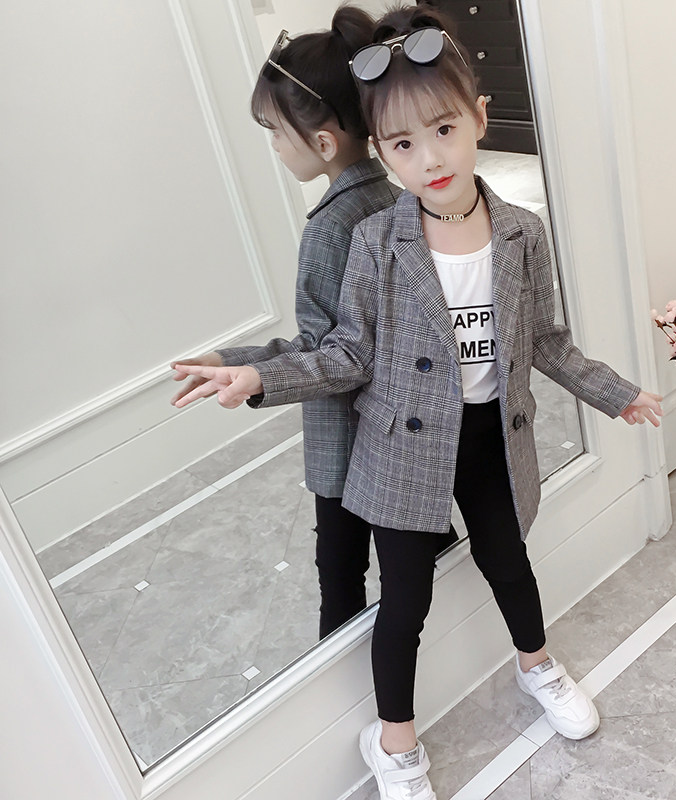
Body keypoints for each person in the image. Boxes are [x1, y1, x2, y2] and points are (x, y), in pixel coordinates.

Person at [172, 5, 663, 798]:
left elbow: (546, 342)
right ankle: (393, 742)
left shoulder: (522, 233)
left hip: (492, 437)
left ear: (478, 118)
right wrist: (257, 377)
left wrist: (617, 393)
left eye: (443, 129)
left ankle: (537, 666)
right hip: (402, 451)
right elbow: (348, 354)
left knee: (509, 564)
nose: (428, 157)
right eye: (402, 143)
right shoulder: (375, 242)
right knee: (405, 600)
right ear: (379, 148)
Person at [170, 5, 459, 642]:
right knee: (428, 542)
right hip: (410, 422)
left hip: (353, 435)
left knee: (341, 572)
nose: (275, 148)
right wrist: (234, 359)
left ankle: (350, 678)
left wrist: (247, 370)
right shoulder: (397, 198)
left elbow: (330, 353)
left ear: (323, 142)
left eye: (276, 134)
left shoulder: (333, 226)